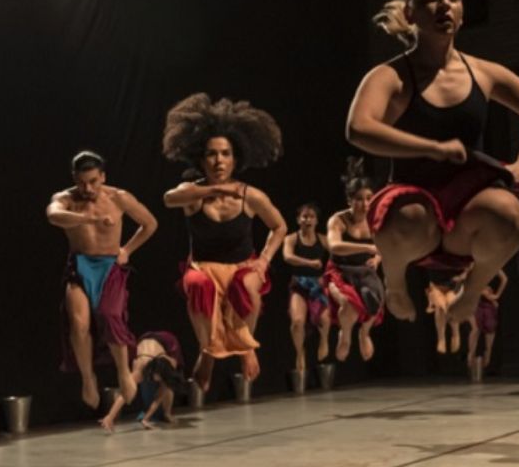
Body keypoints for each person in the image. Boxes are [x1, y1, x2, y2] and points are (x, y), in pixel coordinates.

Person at [346, 0, 519, 329]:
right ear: (409, 12)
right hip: (413, 207)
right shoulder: (391, 76)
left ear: (463, 13)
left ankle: (472, 290)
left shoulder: (482, 72)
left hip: (468, 206)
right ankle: (396, 282)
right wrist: (432, 147)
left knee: (511, 213)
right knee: (409, 215)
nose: (444, 4)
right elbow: (358, 129)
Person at [162, 93, 287, 392]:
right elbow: (169, 199)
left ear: (235, 157)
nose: (219, 160)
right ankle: (208, 353)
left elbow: (280, 226)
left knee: (247, 285)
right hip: (204, 267)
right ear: (201, 158)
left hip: (242, 266)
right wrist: (211, 192)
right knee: (197, 286)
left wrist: (264, 260)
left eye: (225, 153)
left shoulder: (250, 195)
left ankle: (246, 347)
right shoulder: (191, 192)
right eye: (212, 154)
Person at [47, 150, 158, 408]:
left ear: (103, 176)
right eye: (82, 182)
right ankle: (88, 378)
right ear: (74, 178)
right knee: (78, 323)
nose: (88, 188)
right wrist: (88, 217)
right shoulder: (65, 199)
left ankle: (122, 371)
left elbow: (150, 223)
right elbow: (53, 215)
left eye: (94, 181)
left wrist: (127, 250)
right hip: (80, 265)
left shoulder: (118, 197)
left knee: (110, 315)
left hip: (109, 266)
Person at [322, 158, 384, 362]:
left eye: (369, 198)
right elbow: (334, 246)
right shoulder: (338, 220)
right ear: (349, 200)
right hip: (340, 272)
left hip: (364, 272)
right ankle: (345, 335)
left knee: (376, 299)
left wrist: (377, 258)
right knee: (349, 305)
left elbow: (385, 245)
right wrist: (368, 247)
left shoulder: (375, 219)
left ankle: (364, 332)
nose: (365, 204)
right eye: (359, 199)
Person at [98, 331, 187, 433]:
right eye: (156, 378)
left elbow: (159, 396)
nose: (156, 381)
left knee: (168, 386)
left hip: (169, 341)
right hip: (146, 342)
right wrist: (110, 416)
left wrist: (146, 419)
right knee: (130, 386)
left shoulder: (171, 364)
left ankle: (167, 413)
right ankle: (161, 412)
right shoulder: (140, 366)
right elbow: (125, 392)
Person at [282, 203, 331, 372]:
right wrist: (310, 263)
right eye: (304, 216)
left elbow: (337, 257)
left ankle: (324, 340)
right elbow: (288, 257)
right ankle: (299, 352)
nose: (307, 220)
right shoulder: (291, 239)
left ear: (317, 221)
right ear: (298, 220)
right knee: (297, 322)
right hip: (299, 284)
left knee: (325, 320)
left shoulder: (323, 240)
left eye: (311, 217)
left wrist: (327, 277)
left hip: (317, 285)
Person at [467, 268, 508, 370]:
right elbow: (467, 281)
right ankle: (471, 353)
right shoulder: (474, 265)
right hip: (475, 301)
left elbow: (504, 279)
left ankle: (488, 352)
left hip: (488, 303)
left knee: (490, 327)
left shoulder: (493, 264)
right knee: (475, 328)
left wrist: (496, 295)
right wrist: (481, 291)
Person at [424, 268, 467, 354]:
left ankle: (455, 334)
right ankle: (441, 338)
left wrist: (462, 276)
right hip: (437, 286)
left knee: (448, 303)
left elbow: (469, 267)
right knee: (441, 305)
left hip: (454, 286)